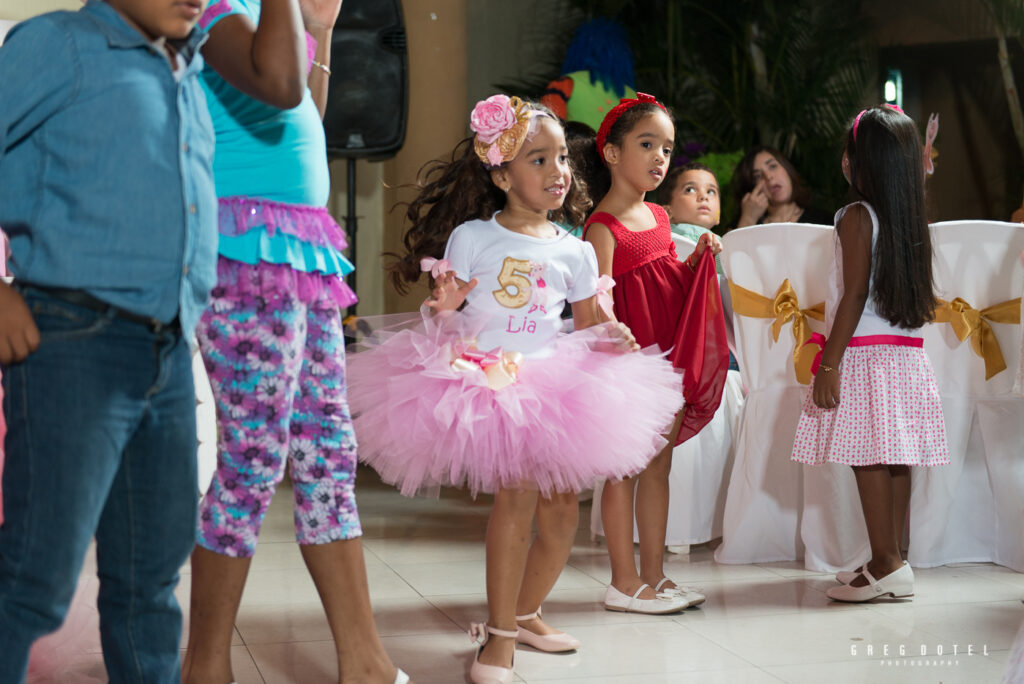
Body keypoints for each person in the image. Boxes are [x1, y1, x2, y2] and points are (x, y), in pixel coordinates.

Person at [347, 94, 684, 684]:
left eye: (561, 159)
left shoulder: (575, 249)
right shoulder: (474, 238)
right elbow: (444, 323)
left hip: (553, 387)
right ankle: (498, 637)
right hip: (492, 382)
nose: (558, 172)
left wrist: (612, 334)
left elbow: (586, 324)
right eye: (538, 160)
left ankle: (526, 613)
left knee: (559, 519)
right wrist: (444, 309)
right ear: (501, 173)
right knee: (517, 500)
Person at [181, 2, 409, 683]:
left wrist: (326, 29)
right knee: (253, 458)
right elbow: (277, 84)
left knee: (327, 452)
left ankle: (363, 661)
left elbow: (302, 108)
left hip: (300, 245)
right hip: (243, 244)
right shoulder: (211, 4)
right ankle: (206, 667)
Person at [0, 1, 218, 681]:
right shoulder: (58, 45)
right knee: (34, 579)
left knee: (149, 586)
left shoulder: (185, 65)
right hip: (74, 342)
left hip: (166, 351)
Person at [791, 104, 949, 602]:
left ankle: (885, 562)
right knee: (896, 456)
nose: (843, 160)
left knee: (867, 458)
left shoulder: (856, 216)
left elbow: (854, 295)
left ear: (865, 164)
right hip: (903, 354)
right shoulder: (910, 220)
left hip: (863, 353)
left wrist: (829, 363)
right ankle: (893, 556)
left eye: (849, 152)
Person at [579, 93, 729, 614]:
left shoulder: (662, 218)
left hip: (667, 361)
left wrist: (699, 260)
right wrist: (613, 331)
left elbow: (671, 285)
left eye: (666, 147)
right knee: (623, 473)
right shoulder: (603, 227)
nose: (660, 157)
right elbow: (596, 299)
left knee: (658, 470)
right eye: (647, 144)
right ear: (613, 153)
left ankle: (654, 575)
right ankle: (623, 581)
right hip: (630, 364)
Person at [731, 145, 832, 228]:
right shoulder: (741, 224)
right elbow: (732, 252)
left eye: (773, 166)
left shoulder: (824, 222)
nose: (768, 177)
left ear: (787, 169)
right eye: (758, 176)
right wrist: (749, 218)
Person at [659, 162, 724, 274]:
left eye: (711, 191)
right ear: (667, 212)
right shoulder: (719, 245)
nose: (704, 196)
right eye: (690, 190)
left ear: (718, 216)